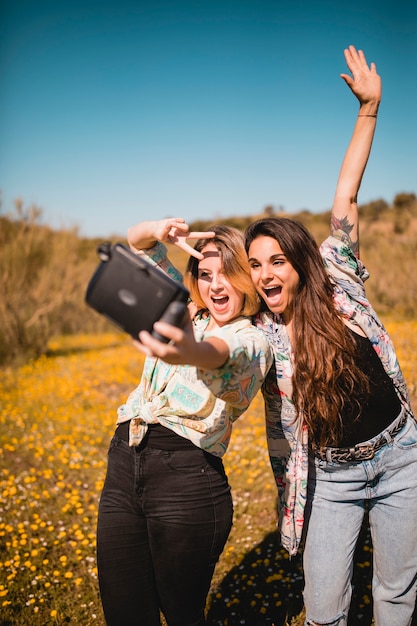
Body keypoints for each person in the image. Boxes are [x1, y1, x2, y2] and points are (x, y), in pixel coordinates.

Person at [244, 45, 417, 625]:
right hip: (334, 475)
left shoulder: (338, 274)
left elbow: (346, 192)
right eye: (255, 264)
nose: (266, 273)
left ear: (299, 261)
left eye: (276, 260)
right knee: (323, 611)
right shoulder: (263, 335)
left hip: (401, 457)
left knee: (396, 597)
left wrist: (368, 111)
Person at [96, 220, 273, 626]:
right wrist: (158, 230)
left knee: (182, 615)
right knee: (124, 610)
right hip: (125, 462)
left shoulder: (253, 340)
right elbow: (137, 245)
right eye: (206, 274)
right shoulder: (182, 305)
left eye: (228, 273)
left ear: (248, 276)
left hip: (188, 481)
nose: (215, 286)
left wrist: (190, 350)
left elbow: (220, 354)